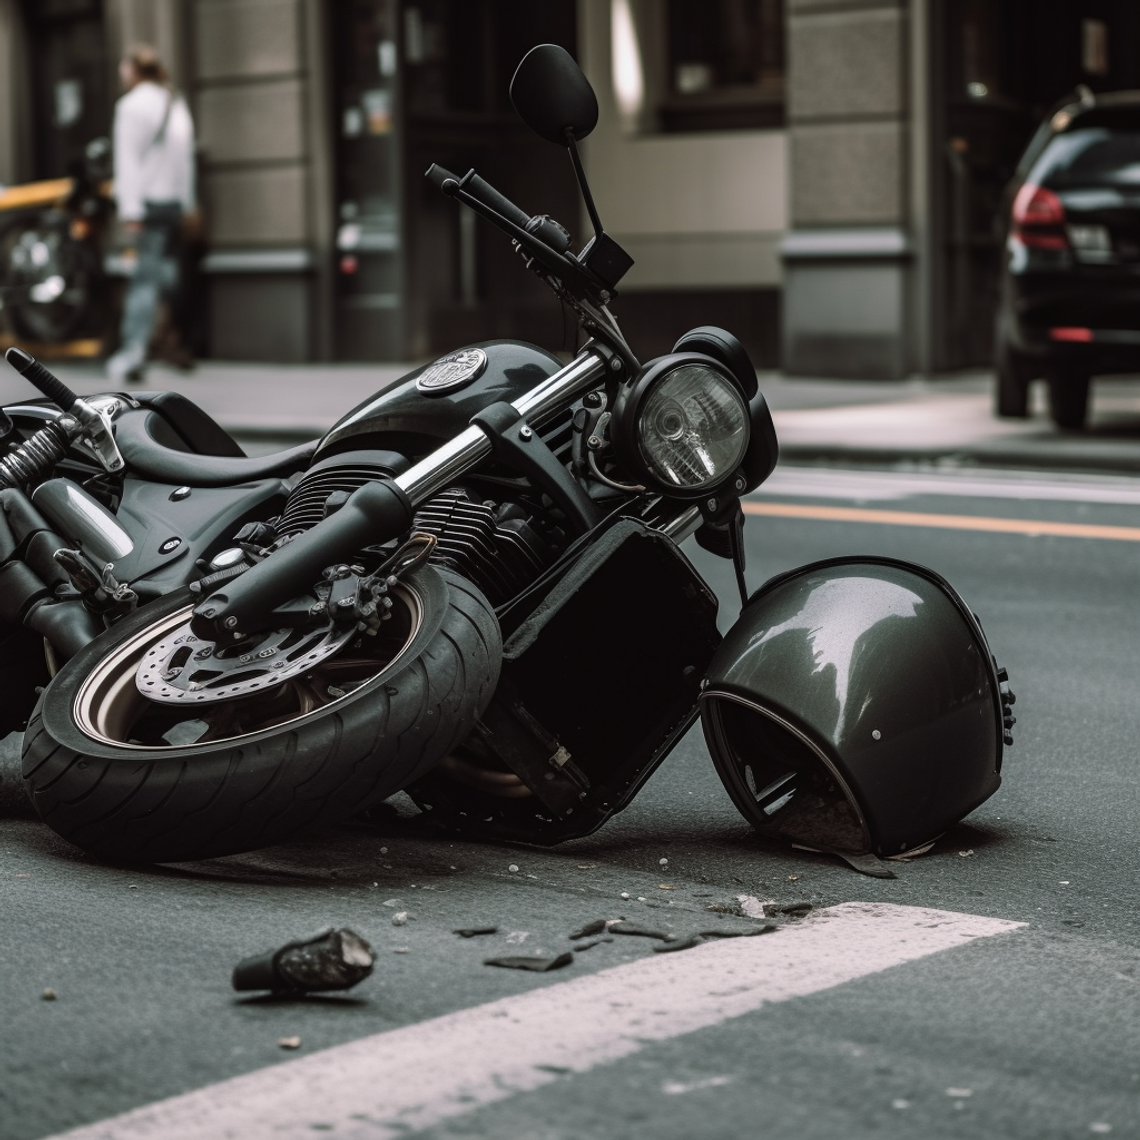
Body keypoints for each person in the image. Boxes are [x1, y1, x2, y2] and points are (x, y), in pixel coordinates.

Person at [105, 44, 197, 383]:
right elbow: (185, 158)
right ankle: (174, 342)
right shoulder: (174, 101)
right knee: (167, 276)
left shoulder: (130, 106)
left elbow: (127, 161)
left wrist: (129, 207)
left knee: (144, 279)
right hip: (172, 201)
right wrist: (186, 203)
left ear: (132, 70)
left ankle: (133, 353)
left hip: (147, 202)